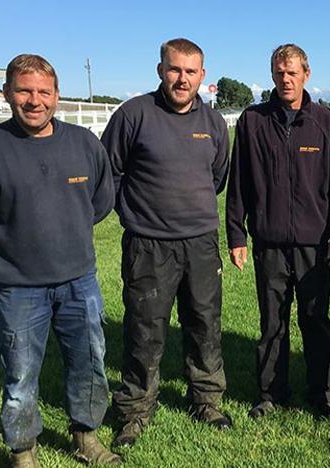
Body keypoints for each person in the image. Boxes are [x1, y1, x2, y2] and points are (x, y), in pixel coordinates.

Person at [0, 54, 119, 467]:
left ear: (57, 95)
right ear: (6, 93)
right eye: (24, 90)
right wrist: (3, 246)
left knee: (90, 364)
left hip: (80, 280)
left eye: (43, 91)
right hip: (17, 288)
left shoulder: (83, 144)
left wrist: (67, 231)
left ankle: (86, 437)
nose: (34, 100)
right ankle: (24, 452)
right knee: (21, 375)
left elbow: (100, 201)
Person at [101, 38, 231, 447]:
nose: (182, 79)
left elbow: (217, 177)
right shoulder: (134, 114)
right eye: (175, 69)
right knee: (145, 327)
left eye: (191, 72)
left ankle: (206, 399)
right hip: (149, 246)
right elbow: (111, 171)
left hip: (200, 243)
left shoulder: (213, 123)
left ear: (202, 76)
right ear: (161, 70)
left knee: (205, 323)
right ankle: (135, 409)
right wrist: (136, 215)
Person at [226, 43, 330, 419]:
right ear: (272, 75)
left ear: (306, 74)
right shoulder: (253, 121)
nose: (285, 79)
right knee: (272, 321)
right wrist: (236, 234)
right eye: (279, 73)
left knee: (316, 319)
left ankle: (322, 391)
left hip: (315, 242)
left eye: (292, 73)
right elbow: (239, 181)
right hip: (269, 240)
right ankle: (271, 392)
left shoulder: (325, 122)